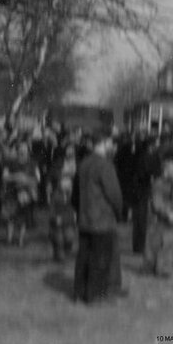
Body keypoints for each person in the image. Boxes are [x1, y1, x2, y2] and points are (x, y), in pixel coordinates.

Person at [73, 130, 125, 304]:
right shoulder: (105, 165)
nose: (112, 145)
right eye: (110, 141)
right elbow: (114, 194)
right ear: (103, 143)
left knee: (84, 257)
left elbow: (75, 193)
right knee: (101, 260)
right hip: (102, 219)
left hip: (85, 217)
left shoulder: (84, 163)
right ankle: (96, 296)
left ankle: (79, 293)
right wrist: (119, 212)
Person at [145, 152, 173, 277]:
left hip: (168, 218)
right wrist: (168, 214)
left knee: (166, 243)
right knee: (160, 243)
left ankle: (158, 268)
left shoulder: (171, 183)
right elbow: (157, 203)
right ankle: (160, 269)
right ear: (166, 170)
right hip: (160, 219)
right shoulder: (160, 184)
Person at [48, 143, 79, 263]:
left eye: (72, 150)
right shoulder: (59, 163)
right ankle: (58, 253)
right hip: (58, 218)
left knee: (69, 237)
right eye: (68, 150)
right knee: (58, 238)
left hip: (69, 217)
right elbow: (52, 175)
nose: (70, 153)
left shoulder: (79, 163)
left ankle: (66, 247)